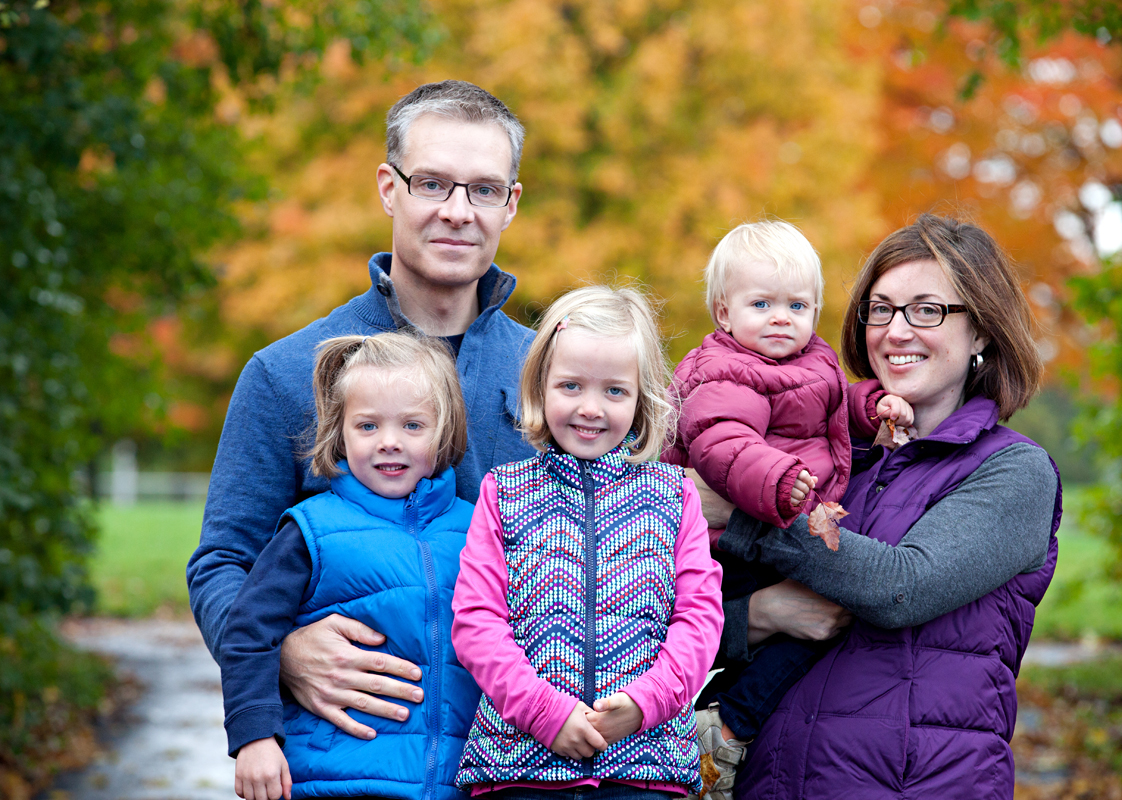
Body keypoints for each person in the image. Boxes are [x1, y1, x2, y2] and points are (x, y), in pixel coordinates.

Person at [188, 80, 534, 742]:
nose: (458, 212)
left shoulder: (556, 380)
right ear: (388, 188)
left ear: (510, 204)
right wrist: (282, 654)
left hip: (524, 762)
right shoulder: (287, 373)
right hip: (353, 756)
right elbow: (223, 562)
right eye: (432, 184)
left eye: (484, 190)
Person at [714, 214, 1061, 800]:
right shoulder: (822, 457)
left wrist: (745, 507)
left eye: (926, 310)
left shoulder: (1013, 471)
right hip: (767, 783)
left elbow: (903, 587)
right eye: (880, 309)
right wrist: (760, 616)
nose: (896, 331)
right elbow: (677, 622)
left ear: (981, 331)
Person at [660, 220, 903, 799]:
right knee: (813, 623)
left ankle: (715, 726)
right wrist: (776, 480)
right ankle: (729, 725)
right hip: (731, 543)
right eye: (761, 304)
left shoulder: (811, 361)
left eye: (797, 306)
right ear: (723, 313)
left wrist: (873, 405)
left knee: (810, 629)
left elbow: (837, 406)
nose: (780, 318)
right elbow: (722, 442)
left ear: (816, 311)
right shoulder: (724, 370)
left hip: (778, 528)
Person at [450, 286, 724, 799]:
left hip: (646, 768)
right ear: (541, 386)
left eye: (615, 391)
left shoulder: (672, 495)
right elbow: (477, 622)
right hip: (521, 768)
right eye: (571, 386)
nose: (590, 408)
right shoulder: (504, 492)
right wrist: (545, 714)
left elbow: (700, 619)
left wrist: (645, 703)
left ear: (641, 398)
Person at [219, 333, 478, 800]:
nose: (389, 442)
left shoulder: (477, 529)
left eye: (413, 425)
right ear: (340, 433)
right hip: (334, 778)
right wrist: (255, 737)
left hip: (456, 782)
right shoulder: (312, 530)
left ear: (445, 431)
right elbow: (248, 631)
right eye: (367, 426)